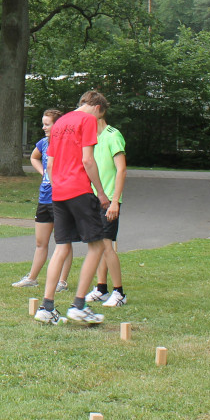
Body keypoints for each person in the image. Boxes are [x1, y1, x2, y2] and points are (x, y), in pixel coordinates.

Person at [34, 90, 112, 326]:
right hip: (79, 190)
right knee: (97, 245)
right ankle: (79, 305)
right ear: (96, 108)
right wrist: (101, 192)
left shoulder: (60, 123)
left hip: (58, 193)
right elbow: (88, 159)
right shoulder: (88, 120)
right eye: (100, 117)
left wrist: (57, 186)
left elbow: (50, 161)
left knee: (61, 247)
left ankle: (46, 307)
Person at [12, 109, 73, 291]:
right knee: (41, 242)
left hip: (61, 198)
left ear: (58, 125)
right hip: (44, 198)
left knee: (63, 242)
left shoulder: (66, 144)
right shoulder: (44, 143)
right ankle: (32, 278)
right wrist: (44, 173)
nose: (43, 127)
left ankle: (62, 281)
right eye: (43, 123)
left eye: (47, 123)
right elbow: (33, 157)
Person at [85, 116, 127, 307]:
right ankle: (101, 289)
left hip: (108, 200)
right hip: (93, 198)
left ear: (98, 112)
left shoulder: (113, 135)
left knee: (107, 245)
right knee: (97, 245)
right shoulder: (90, 137)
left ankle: (119, 293)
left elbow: (121, 170)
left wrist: (115, 201)